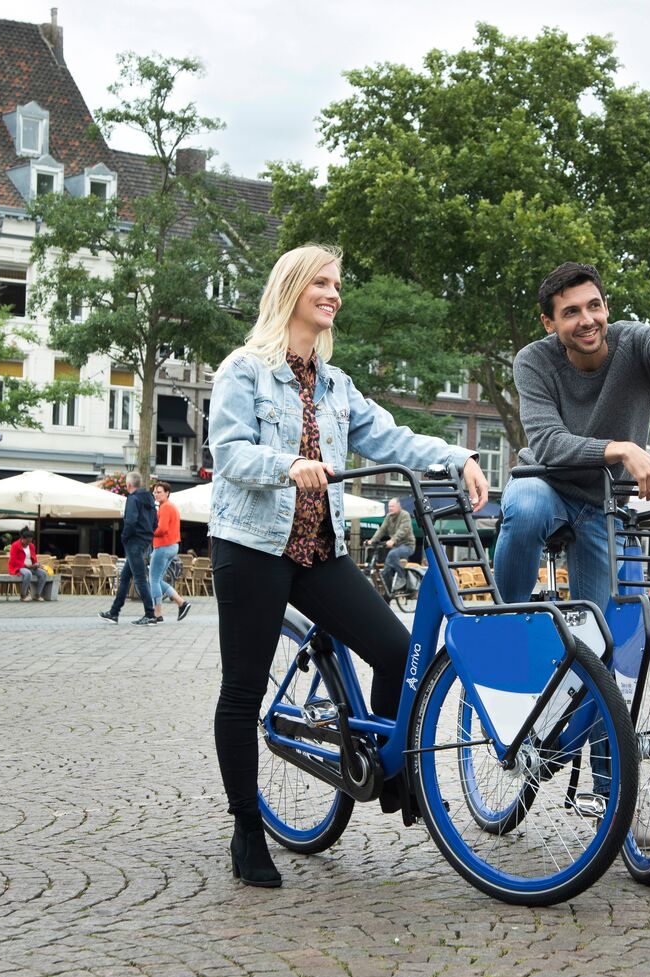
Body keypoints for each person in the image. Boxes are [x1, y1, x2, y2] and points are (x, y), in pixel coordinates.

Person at [207, 244, 487, 889]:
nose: (334, 294)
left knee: (396, 652)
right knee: (243, 689)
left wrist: (458, 457)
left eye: (337, 284)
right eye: (322, 283)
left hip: (319, 550)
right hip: (253, 545)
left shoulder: (336, 384)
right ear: (291, 290)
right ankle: (247, 828)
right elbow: (229, 452)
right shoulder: (244, 370)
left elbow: (391, 439)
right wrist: (287, 465)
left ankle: (385, 767)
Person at [491, 261, 650, 607]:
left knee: (596, 627)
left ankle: (582, 642)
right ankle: (507, 619)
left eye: (594, 306)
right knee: (525, 508)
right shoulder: (533, 360)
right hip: (545, 484)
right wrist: (622, 449)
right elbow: (548, 443)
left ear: (606, 306)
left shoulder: (633, 343)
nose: (587, 320)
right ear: (549, 323)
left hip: (605, 501)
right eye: (571, 312)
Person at [99, 471, 158, 625]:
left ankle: (150, 614)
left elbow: (131, 521)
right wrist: (148, 535)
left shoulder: (133, 498)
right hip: (145, 540)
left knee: (140, 579)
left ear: (129, 484)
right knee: (125, 577)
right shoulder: (149, 498)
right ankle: (114, 612)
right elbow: (155, 522)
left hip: (134, 541)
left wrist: (125, 537)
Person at [148, 482, 191, 621]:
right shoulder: (170, 506)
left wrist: (148, 532)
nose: (156, 494)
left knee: (153, 580)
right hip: (172, 546)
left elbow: (162, 529)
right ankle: (182, 603)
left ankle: (157, 614)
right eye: (155, 492)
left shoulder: (165, 507)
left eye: (159, 492)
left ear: (167, 493)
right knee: (158, 580)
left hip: (163, 546)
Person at [366, 497, 415, 594]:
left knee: (392, 554)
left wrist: (393, 540)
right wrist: (372, 540)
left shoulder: (405, 515)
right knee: (386, 570)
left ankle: (402, 577)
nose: (390, 508)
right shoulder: (388, 517)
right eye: (389, 506)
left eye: (392, 506)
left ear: (398, 506)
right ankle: (388, 593)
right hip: (396, 547)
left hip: (408, 546)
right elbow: (382, 529)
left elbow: (403, 530)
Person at [9, 528, 54, 602]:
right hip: (19, 566)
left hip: (31, 566)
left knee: (43, 573)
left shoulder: (31, 546)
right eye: (27, 541)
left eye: (30, 541)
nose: (28, 543)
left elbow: (33, 558)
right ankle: (23, 595)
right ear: (22, 538)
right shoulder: (15, 545)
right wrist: (26, 566)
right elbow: (13, 561)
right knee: (28, 573)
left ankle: (37, 595)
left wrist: (36, 564)